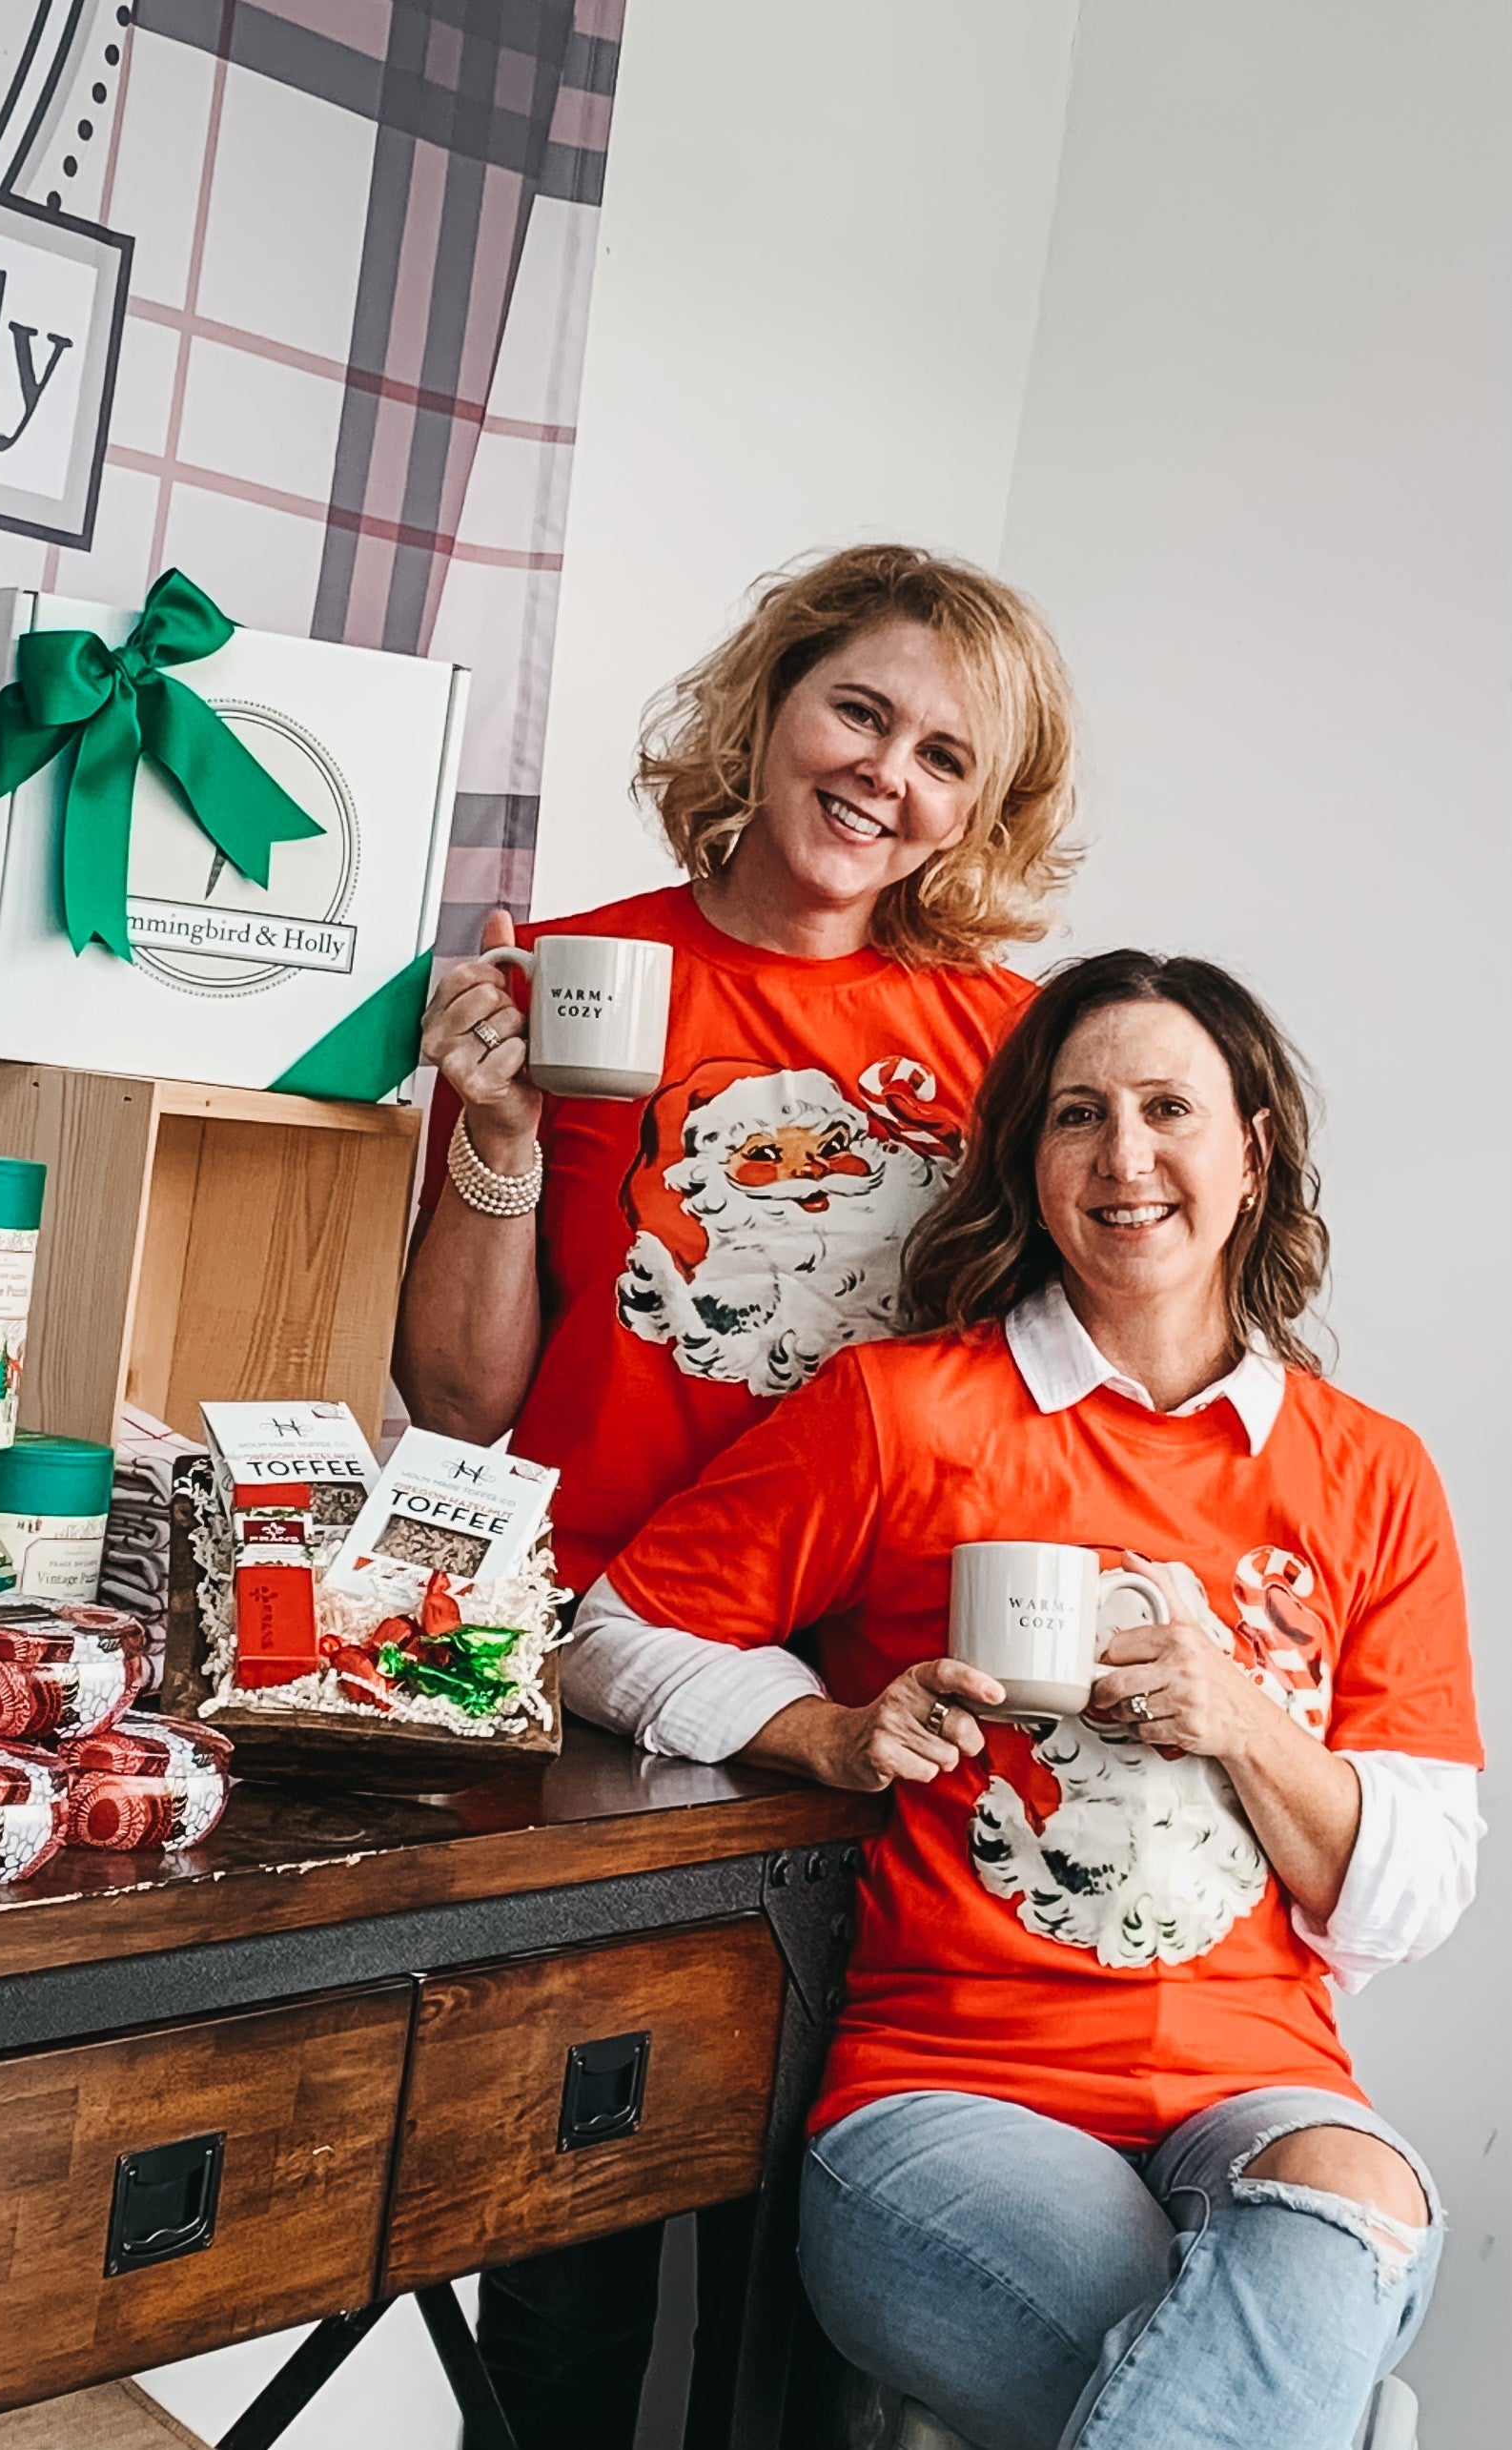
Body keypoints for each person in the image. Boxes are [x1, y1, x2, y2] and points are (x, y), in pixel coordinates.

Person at [569, 951, 1482, 2450]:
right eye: (1076, 1115)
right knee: (1268, 2388)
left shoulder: (1367, 1470)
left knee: (1352, 2190)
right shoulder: (904, 1408)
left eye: (1167, 1108)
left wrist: (1244, 1714)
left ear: (1249, 1153)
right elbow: (612, 1632)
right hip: (949, 2091)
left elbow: (1417, 1883)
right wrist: (829, 1733)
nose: (1124, 1156)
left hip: (1260, 2080)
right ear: (1029, 1163)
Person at [393, 542, 1078, 2444]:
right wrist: (503, 1146)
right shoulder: (576, 983)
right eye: (857, 709)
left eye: (947, 754)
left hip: (879, 1705)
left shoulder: (1007, 1051)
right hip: (607, 1686)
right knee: (570, 2231)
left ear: (979, 808)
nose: (885, 776)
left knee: (808, 2277)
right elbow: (462, 1399)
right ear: (769, 706)